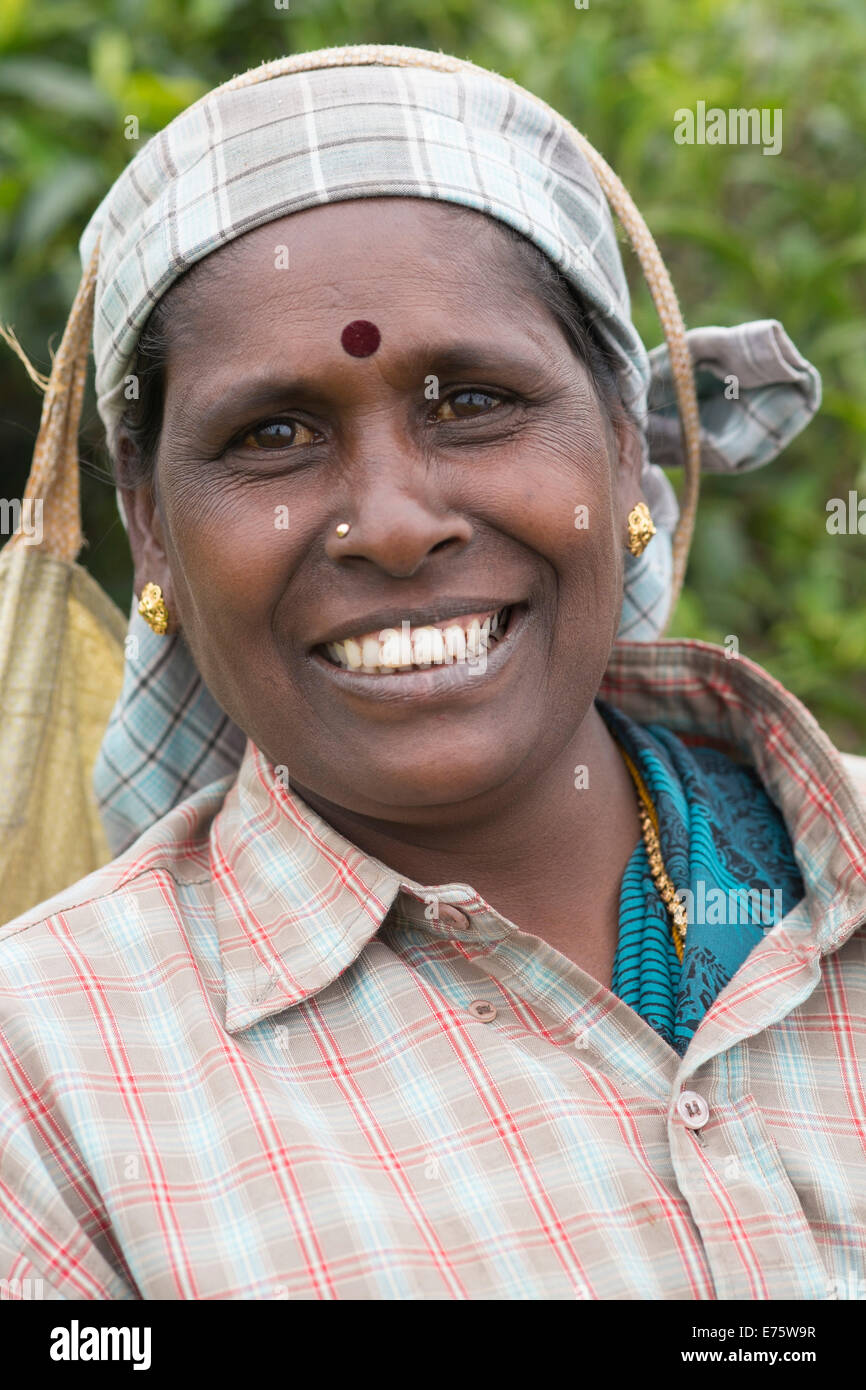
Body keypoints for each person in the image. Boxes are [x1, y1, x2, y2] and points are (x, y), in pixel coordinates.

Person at [0, 43, 863, 1301]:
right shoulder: (46, 1086)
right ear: (151, 527)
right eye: (273, 435)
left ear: (623, 442)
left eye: (471, 401)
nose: (394, 525)